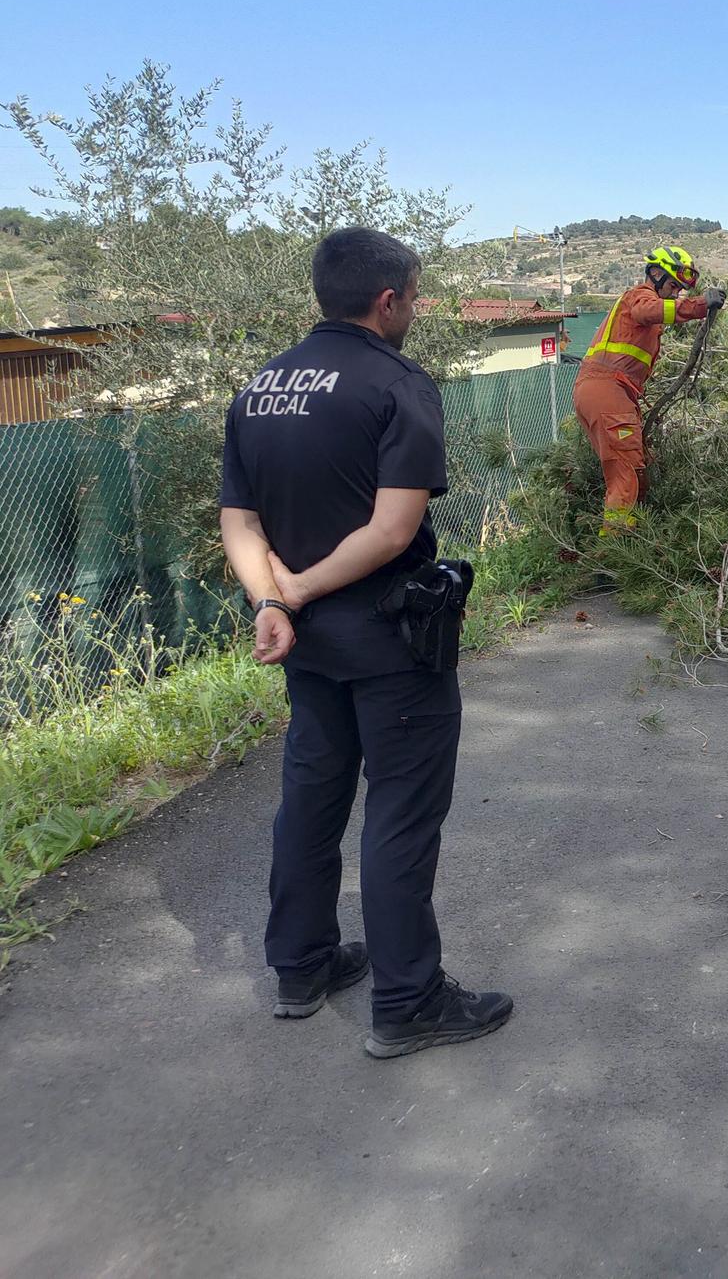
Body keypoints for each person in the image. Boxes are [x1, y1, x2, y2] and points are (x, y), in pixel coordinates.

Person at [218, 225, 511, 1060]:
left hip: (304, 647)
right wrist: (300, 590)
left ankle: (301, 967)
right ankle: (409, 1001)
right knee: (401, 814)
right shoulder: (397, 384)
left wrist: (272, 601)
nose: (415, 309)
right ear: (389, 301)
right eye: (414, 297)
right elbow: (391, 531)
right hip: (392, 644)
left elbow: (238, 522)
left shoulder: (260, 388)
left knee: (311, 800)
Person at [573, 246, 726, 534]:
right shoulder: (639, 297)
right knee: (626, 474)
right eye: (672, 285)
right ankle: (614, 559)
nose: (674, 293)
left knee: (635, 468)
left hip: (612, 392)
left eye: (680, 289)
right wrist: (700, 305)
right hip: (607, 390)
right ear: (655, 273)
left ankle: (632, 540)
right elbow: (651, 310)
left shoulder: (641, 308)